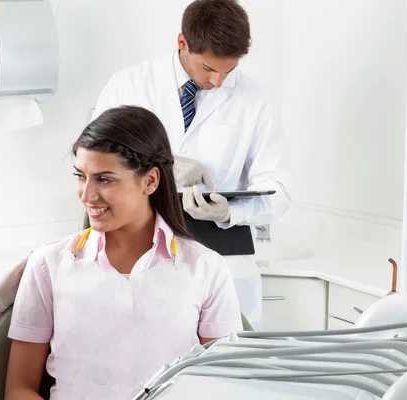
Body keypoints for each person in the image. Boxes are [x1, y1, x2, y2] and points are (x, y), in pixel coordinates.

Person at [4, 106, 243, 399]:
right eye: (81, 176)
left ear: (150, 181)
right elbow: (18, 389)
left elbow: (224, 386)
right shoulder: (48, 265)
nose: (87, 195)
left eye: (105, 179)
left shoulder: (206, 269)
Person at [91, 0, 291, 330]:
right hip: (138, 248)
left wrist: (229, 213)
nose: (219, 82)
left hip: (221, 254)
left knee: (229, 363)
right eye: (209, 69)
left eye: (230, 70)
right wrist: (165, 164)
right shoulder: (129, 84)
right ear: (182, 42)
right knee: (145, 361)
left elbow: (279, 188)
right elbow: (96, 160)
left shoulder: (255, 100)